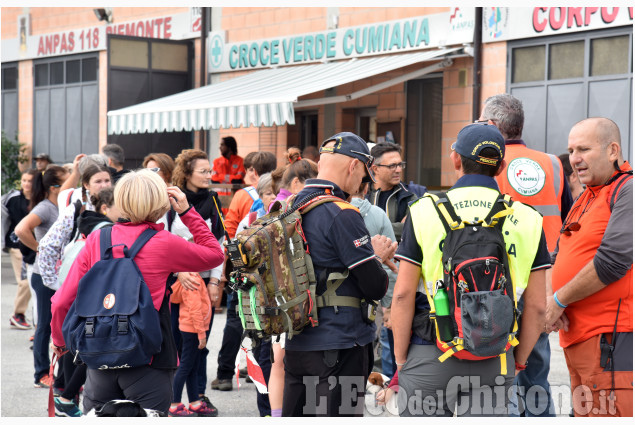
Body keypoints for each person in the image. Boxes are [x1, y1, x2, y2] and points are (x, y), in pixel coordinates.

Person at [391, 123, 549, 417]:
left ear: (455, 159)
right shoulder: (529, 218)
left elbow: (402, 295)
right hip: (496, 356)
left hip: (431, 350)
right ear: (501, 166)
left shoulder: (424, 210)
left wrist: (401, 360)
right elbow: (538, 307)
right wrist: (518, 361)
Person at [50, 169, 225, 415]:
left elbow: (61, 302)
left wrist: (59, 341)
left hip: (100, 354)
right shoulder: (164, 242)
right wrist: (187, 212)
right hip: (149, 358)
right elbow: (215, 254)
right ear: (160, 201)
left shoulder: (98, 238)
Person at [282, 132, 397, 417]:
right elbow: (374, 286)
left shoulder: (290, 207)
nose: (362, 184)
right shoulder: (342, 213)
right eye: (363, 175)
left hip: (297, 343)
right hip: (340, 345)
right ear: (353, 166)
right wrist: (377, 256)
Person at [480, 93, 572, 417]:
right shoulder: (553, 163)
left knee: (504, 376)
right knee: (536, 371)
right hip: (544, 280)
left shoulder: (491, 164)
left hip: (503, 280)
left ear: (491, 125)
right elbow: (568, 219)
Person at [546, 117, 632, 417]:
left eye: (583, 149)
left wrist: (558, 301)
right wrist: (552, 303)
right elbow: (559, 255)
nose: (574, 159)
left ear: (612, 150)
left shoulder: (627, 191)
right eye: (571, 150)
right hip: (577, 340)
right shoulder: (587, 195)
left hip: (611, 339)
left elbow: (612, 262)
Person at [159, 148, 224, 414]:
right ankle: (173, 400)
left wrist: (216, 282)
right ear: (187, 172)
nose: (209, 175)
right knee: (178, 345)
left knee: (201, 343)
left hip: (203, 282)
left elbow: (220, 242)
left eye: (210, 170)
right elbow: (160, 241)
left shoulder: (213, 199)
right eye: (203, 171)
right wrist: (178, 271)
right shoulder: (172, 198)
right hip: (177, 285)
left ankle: (198, 397)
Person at [53, 186, 121, 417]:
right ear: (105, 208)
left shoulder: (86, 229)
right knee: (93, 357)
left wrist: (59, 336)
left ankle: (66, 397)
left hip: (79, 313)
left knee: (86, 357)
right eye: (121, 203)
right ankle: (66, 398)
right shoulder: (107, 235)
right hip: (98, 310)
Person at [212, 150, 277, 392]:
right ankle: (258, 370)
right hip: (271, 279)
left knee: (236, 322)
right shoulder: (284, 202)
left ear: (252, 171)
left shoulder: (242, 197)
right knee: (266, 324)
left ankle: (226, 373)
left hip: (244, 275)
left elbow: (229, 233)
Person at [14, 165, 70, 388]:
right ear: (56, 187)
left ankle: (62, 375)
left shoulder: (61, 206)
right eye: (67, 181)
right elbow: (20, 230)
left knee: (59, 325)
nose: (71, 186)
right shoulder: (46, 207)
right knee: (45, 326)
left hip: (58, 275)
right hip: (42, 274)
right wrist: (40, 249)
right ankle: (40, 374)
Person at [38, 163, 113, 290]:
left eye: (107, 180)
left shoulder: (118, 206)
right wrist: (55, 283)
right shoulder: (76, 209)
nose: (104, 185)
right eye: (98, 181)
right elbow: (47, 245)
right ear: (86, 185)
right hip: (78, 283)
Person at [351, 181, 398, 379]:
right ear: (366, 188)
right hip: (372, 300)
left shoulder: (324, 212)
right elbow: (391, 265)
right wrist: (389, 305)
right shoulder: (377, 215)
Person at [169, 274, 216, 417]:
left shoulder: (189, 277)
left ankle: (195, 402)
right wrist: (201, 334)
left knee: (193, 367)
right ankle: (174, 405)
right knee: (185, 367)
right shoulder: (193, 280)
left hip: (189, 328)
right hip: (193, 330)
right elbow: (195, 309)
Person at [367, 143, 427, 242]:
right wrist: (396, 228)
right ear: (375, 169)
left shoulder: (409, 196)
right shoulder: (361, 194)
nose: (399, 170)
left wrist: (369, 229)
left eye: (400, 164)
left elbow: (411, 230)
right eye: (392, 166)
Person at [6, 169, 34, 330]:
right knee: (25, 281)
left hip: (31, 244)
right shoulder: (14, 198)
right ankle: (18, 314)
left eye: (30, 181)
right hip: (16, 244)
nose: (27, 184)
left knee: (29, 280)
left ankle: (20, 313)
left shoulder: (39, 197)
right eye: (24, 180)